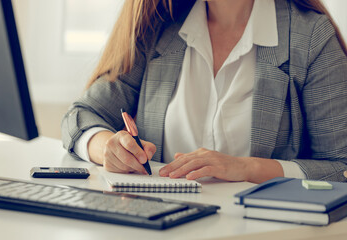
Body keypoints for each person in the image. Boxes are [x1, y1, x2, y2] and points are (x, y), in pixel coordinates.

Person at [62, 0, 347, 183]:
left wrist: (247, 169)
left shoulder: (311, 38)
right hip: (159, 224)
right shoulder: (158, 25)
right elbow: (81, 116)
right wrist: (106, 148)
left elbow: (341, 168)